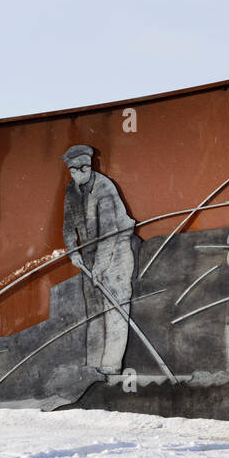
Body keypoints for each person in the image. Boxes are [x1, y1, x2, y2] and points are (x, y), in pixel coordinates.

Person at [62, 145, 136, 375]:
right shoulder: (71, 190)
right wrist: (73, 252)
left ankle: (111, 366)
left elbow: (109, 233)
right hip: (89, 254)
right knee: (94, 310)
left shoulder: (104, 188)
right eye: (73, 171)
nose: (78, 174)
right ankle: (94, 367)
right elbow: (67, 226)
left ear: (90, 166)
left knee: (115, 307)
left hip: (117, 250)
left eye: (82, 169)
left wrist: (101, 267)